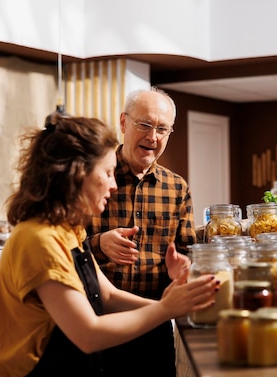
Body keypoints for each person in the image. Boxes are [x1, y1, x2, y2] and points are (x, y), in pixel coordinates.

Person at [0, 114, 218, 377]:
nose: (113, 184)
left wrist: (168, 303)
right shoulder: (39, 240)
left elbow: (107, 296)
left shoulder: (67, 230)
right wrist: (166, 309)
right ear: (76, 174)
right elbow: (88, 334)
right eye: (107, 173)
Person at [87, 87, 195, 376]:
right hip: (95, 324)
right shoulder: (95, 178)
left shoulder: (177, 187)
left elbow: (187, 253)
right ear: (124, 123)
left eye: (162, 129)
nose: (153, 137)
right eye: (145, 125)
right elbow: (63, 247)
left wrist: (182, 268)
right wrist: (99, 244)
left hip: (152, 327)